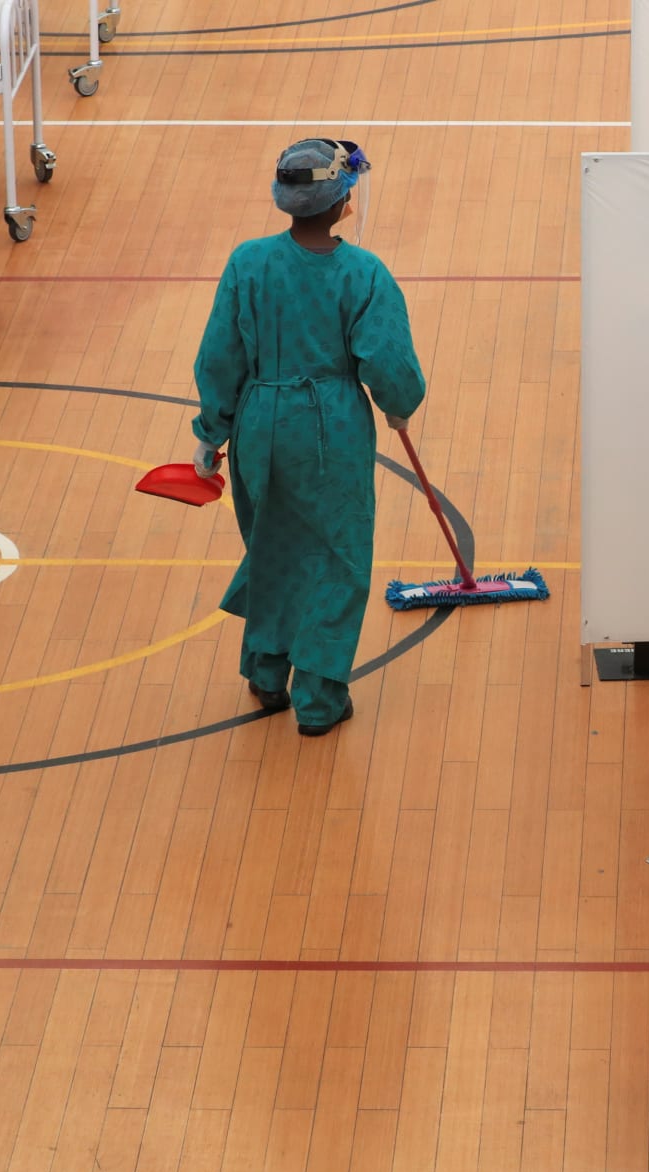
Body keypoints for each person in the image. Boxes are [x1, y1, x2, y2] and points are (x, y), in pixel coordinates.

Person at [189, 138, 426, 737]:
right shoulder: (363, 273)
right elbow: (388, 363)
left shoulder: (247, 262)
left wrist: (210, 432)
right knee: (338, 558)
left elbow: (220, 356)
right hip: (330, 430)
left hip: (258, 425)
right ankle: (319, 699)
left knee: (270, 545)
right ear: (344, 201)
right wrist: (398, 406)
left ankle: (266, 675)